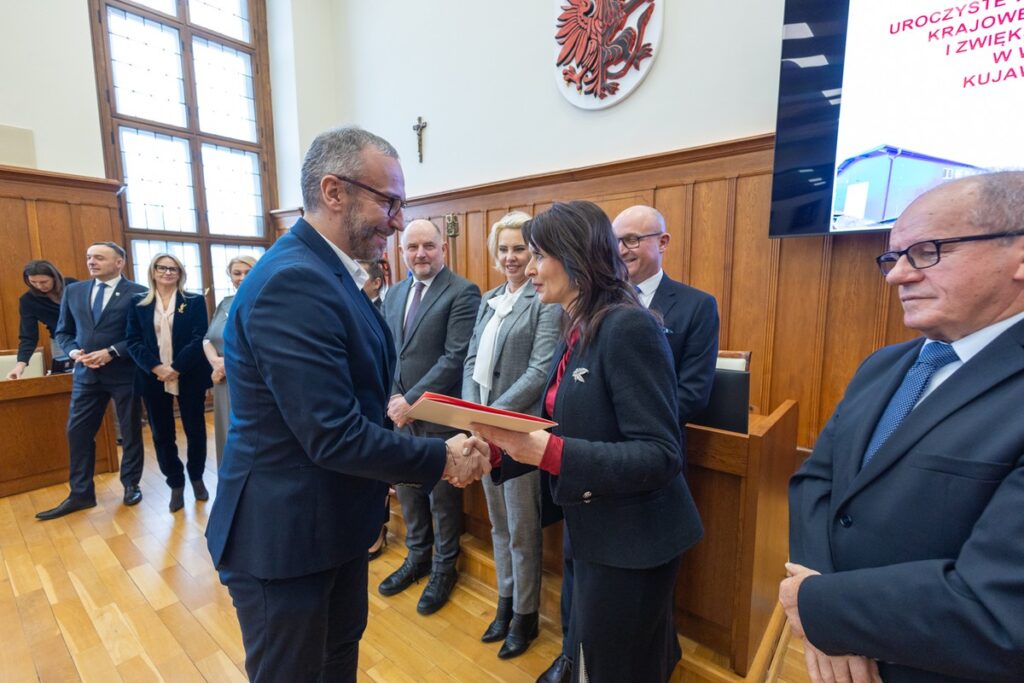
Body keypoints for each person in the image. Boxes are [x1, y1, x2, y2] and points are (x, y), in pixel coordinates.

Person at [204, 126, 490, 682]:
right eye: (390, 202)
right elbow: (331, 433)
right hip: (285, 540)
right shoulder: (294, 280)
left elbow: (357, 396)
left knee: (336, 666)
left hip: (328, 527)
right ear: (334, 192)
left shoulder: (328, 273)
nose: (400, 221)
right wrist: (441, 459)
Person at [783, 171, 1024, 683]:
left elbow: (1001, 607)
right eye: (894, 257)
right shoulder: (884, 365)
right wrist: (825, 614)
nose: (896, 276)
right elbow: (816, 483)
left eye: (929, 251)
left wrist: (823, 607)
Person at [473, 201, 704, 683]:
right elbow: (559, 422)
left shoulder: (628, 325)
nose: (530, 269)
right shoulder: (577, 319)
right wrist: (496, 449)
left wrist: (548, 453)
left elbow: (660, 454)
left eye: (539, 255)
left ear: (576, 256)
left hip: (635, 539)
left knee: (619, 667)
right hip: (595, 525)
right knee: (596, 654)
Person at [462, 211, 560, 658]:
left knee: (523, 530)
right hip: (482, 431)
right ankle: (503, 603)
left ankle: (525, 617)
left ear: (534, 253)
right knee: (498, 526)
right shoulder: (488, 299)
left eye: (519, 248)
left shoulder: (546, 303)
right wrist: (469, 416)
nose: (510, 257)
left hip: (517, 434)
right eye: (503, 249)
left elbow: (540, 372)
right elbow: (469, 363)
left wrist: (490, 416)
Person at [378, 218, 481, 614]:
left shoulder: (462, 292)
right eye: (412, 247)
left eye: (428, 246)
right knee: (407, 489)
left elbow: (454, 357)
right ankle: (417, 556)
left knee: (441, 498)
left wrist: (411, 401)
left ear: (443, 249)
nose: (420, 254)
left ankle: (443, 568)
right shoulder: (395, 293)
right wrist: (392, 398)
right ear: (401, 252)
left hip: (437, 415)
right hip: (398, 413)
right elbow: (390, 352)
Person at [37, 242, 148, 520]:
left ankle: (131, 484)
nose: (92, 262)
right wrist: (74, 352)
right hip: (86, 374)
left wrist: (112, 352)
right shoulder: (74, 291)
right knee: (78, 432)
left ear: (119, 262)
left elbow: (145, 335)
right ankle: (81, 493)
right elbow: (63, 331)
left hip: (125, 374)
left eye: (99, 257)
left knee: (130, 430)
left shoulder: (139, 293)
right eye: (89, 257)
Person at [612, 205, 719, 425]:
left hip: (658, 438)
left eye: (632, 239)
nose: (621, 250)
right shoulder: (602, 301)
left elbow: (692, 393)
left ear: (663, 242)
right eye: (616, 241)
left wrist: (635, 424)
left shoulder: (698, 306)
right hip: (600, 442)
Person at [125, 253, 212, 513]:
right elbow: (132, 340)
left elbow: (199, 338)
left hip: (189, 375)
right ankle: (175, 483)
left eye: (173, 268)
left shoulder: (194, 301)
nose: (167, 272)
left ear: (180, 273)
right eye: (162, 268)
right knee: (162, 434)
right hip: (153, 376)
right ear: (153, 271)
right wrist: (157, 367)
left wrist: (175, 368)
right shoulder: (138, 303)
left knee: (195, 430)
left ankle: (196, 477)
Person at [202, 255, 256, 468]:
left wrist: (226, 365)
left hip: (247, 379)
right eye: (237, 273)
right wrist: (216, 362)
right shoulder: (225, 303)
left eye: (247, 272)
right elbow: (208, 338)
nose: (242, 278)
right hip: (223, 381)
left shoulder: (264, 299)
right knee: (226, 432)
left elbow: (258, 343)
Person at [356, 257, 392, 561]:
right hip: (375, 405)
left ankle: (379, 530)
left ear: (376, 283)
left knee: (382, 470)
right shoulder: (350, 307)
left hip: (394, 402)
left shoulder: (384, 308)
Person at [6, 259, 77, 379]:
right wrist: (20, 366)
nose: (39, 286)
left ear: (54, 277)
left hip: (87, 336)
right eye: (33, 282)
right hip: (60, 342)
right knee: (66, 378)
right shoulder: (28, 300)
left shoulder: (72, 285)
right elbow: (28, 336)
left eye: (44, 282)